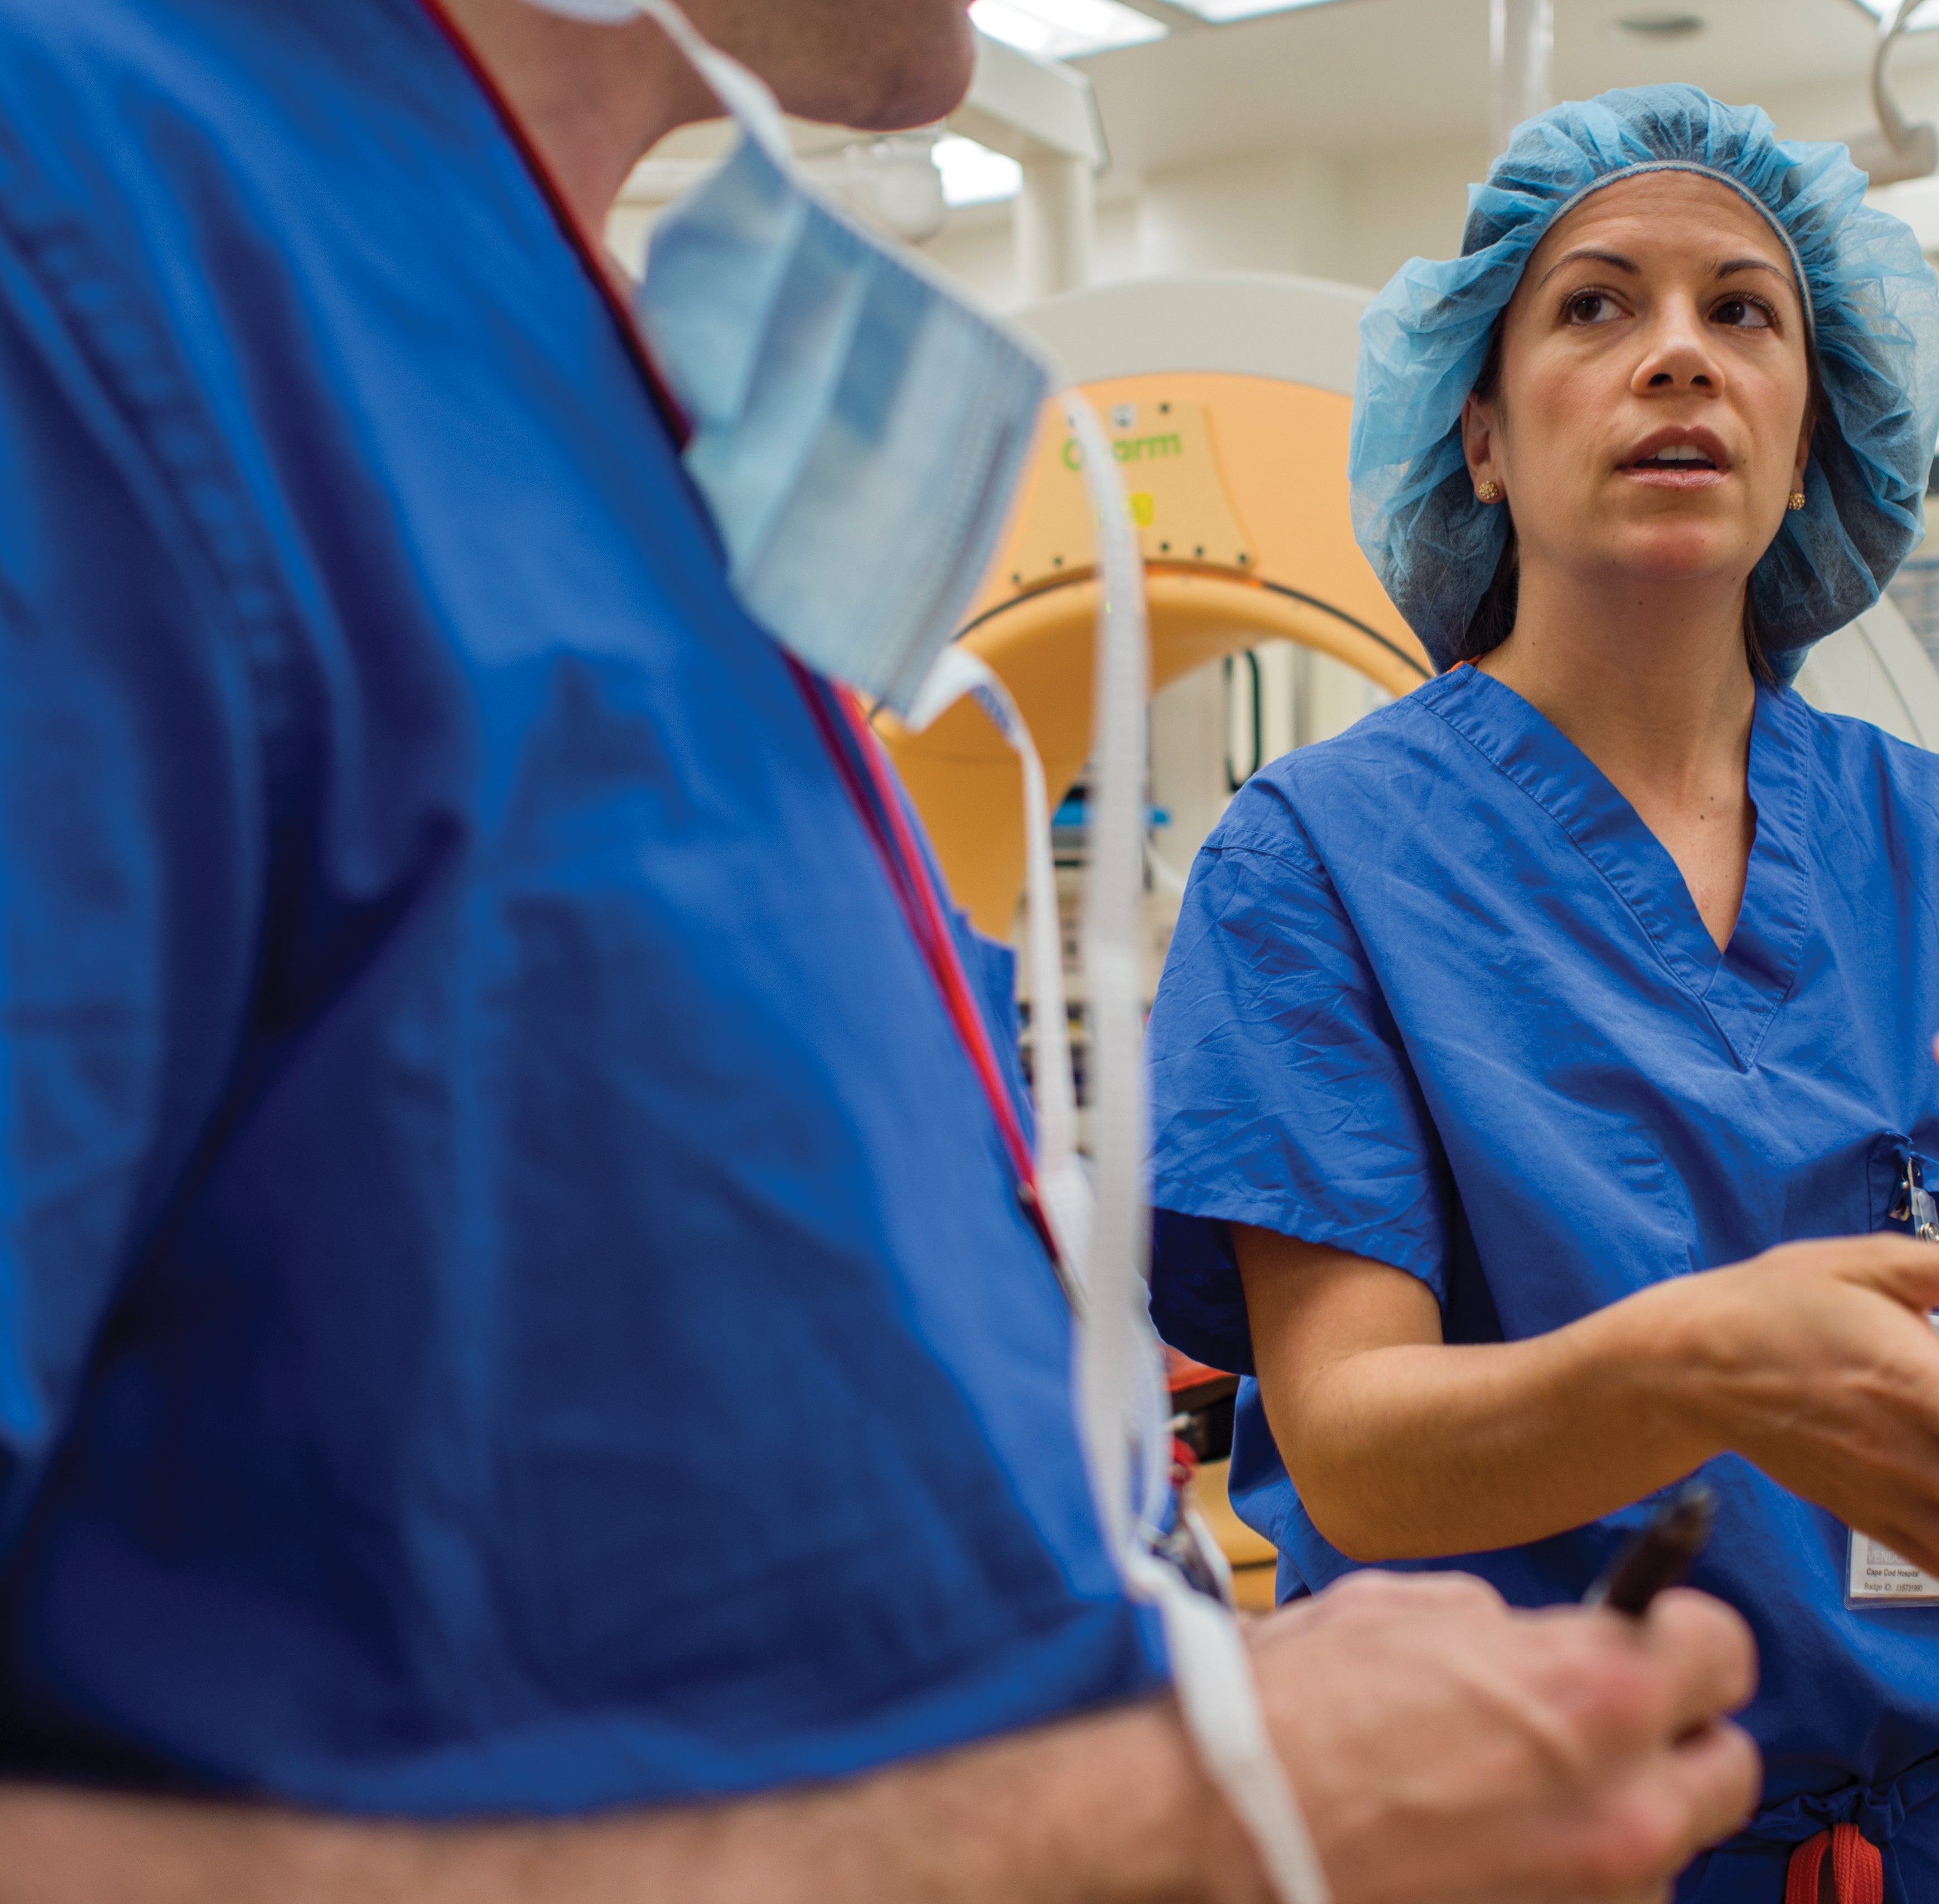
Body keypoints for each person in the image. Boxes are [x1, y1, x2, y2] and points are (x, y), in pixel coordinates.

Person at [0, 7, 1767, 1899]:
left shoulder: (582, 398)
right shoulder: (88, 246)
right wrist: (1170, 1823)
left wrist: (1195, 1707)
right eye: (1597, 307)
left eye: (1745, 312)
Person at [1146, 87, 1939, 1902]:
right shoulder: (1317, 860)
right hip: (1532, 1848)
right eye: (1596, 305)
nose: (1679, 355)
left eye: (1743, 312)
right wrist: (1710, 1367)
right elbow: (1361, 1452)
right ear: (1480, 438)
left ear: (1807, 447)